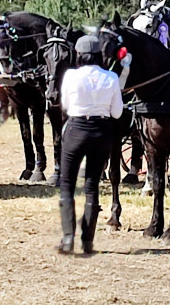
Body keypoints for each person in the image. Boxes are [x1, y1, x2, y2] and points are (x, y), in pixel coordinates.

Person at [57, 35, 123, 254]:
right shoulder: (112, 77)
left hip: (77, 128)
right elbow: (117, 112)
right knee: (92, 186)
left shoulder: (70, 76)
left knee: (67, 184)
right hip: (102, 131)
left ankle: (68, 239)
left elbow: (65, 105)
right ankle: (88, 240)